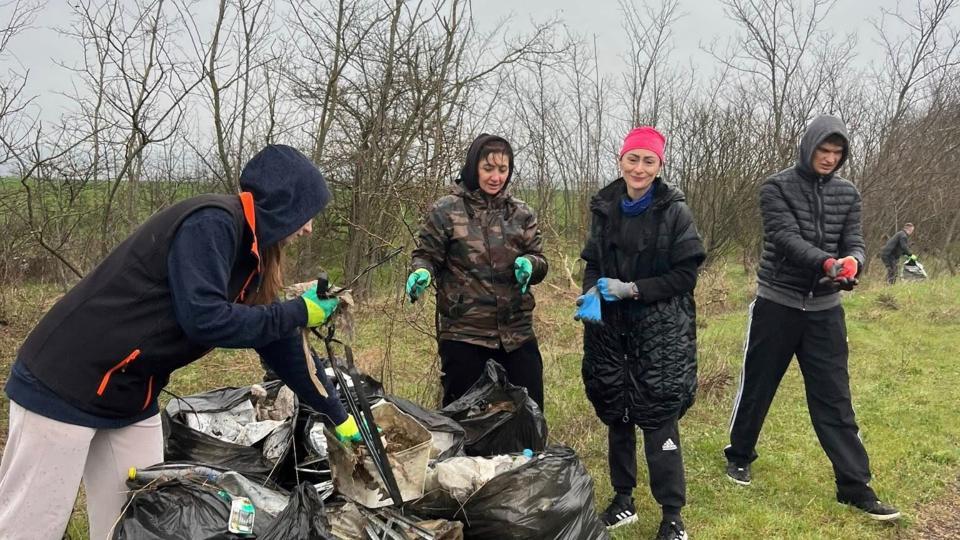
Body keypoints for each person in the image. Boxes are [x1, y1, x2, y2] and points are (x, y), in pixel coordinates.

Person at [0, 145, 363, 540]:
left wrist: (336, 414)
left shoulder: (254, 256)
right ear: (283, 202)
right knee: (31, 525)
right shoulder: (211, 224)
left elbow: (280, 344)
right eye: (306, 213)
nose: (309, 227)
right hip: (65, 381)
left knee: (141, 519)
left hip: (130, 394)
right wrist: (297, 312)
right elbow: (205, 320)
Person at [724, 115, 901, 521]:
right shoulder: (775, 187)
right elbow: (785, 238)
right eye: (824, 150)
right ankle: (739, 454)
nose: (830, 158)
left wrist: (854, 261)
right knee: (758, 386)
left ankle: (855, 487)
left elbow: (854, 239)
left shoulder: (848, 193)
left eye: (837, 153)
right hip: (777, 303)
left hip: (825, 310)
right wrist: (826, 263)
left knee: (835, 399)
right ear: (809, 148)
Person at [576, 126, 705, 540]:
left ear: (659, 166)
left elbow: (685, 275)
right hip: (611, 332)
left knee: (658, 418)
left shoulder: (674, 212)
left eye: (648, 161)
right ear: (621, 160)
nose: (639, 168)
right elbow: (594, 263)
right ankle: (623, 500)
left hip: (661, 332)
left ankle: (672, 516)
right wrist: (591, 293)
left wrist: (633, 290)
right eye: (633, 159)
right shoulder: (604, 208)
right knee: (617, 413)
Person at [406, 134, 548, 409]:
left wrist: (531, 265)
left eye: (503, 170)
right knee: (465, 423)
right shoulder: (446, 210)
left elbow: (540, 259)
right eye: (488, 169)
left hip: (516, 334)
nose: (496, 177)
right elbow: (426, 256)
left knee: (528, 416)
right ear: (473, 168)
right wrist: (421, 272)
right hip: (464, 335)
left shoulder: (521, 213)